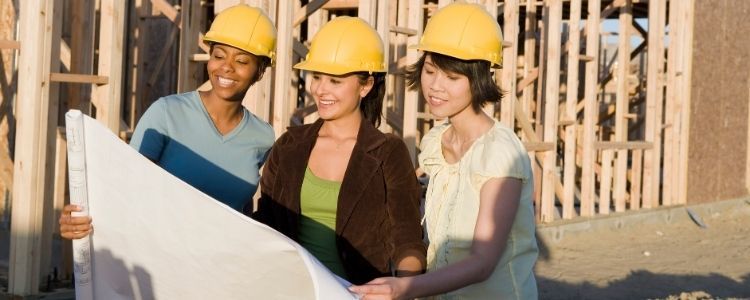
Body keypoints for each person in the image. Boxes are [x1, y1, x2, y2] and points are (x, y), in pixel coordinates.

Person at [350, 3, 538, 299]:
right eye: (430, 70)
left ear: (479, 79)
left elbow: (483, 263)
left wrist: (406, 287)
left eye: (452, 78)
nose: (435, 86)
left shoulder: (499, 153)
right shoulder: (436, 142)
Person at [59, 5, 277, 239]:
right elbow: (123, 187)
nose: (226, 67)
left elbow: (239, 210)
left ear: (260, 71)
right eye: (219, 55)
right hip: (163, 262)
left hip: (221, 267)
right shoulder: (167, 113)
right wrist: (79, 220)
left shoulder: (262, 136)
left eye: (242, 61)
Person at [252, 17, 426, 285]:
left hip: (357, 293)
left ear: (366, 86)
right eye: (317, 77)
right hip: (290, 289)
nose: (320, 89)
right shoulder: (289, 146)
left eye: (335, 80)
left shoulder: (387, 153)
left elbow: (407, 240)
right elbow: (265, 226)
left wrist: (405, 288)